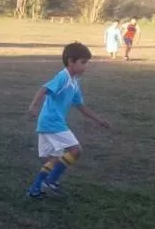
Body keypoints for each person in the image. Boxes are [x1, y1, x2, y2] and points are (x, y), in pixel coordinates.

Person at [25, 42, 111, 199]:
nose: (85, 67)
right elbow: (44, 88)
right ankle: (50, 181)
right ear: (71, 61)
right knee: (76, 150)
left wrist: (99, 120)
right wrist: (33, 106)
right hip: (52, 122)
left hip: (48, 123)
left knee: (53, 159)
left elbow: (80, 106)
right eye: (83, 63)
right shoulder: (63, 77)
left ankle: (35, 189)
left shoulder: (74, 82)